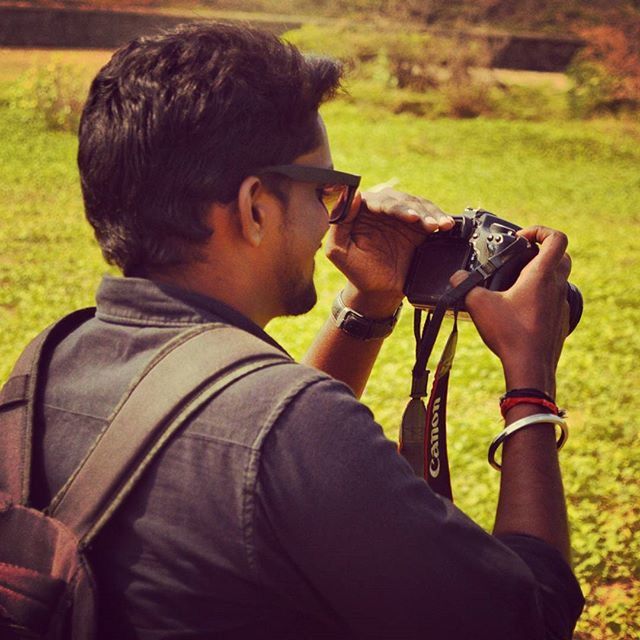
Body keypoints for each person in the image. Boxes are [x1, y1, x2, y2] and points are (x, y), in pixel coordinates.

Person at [30, 21, 583, 639]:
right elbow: (532, 618)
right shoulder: (294, 431)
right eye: (327, 190)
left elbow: (247, 447)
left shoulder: (43, 368)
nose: (333, 218)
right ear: (255, 208)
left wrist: (371, 301)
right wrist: (530, 377)